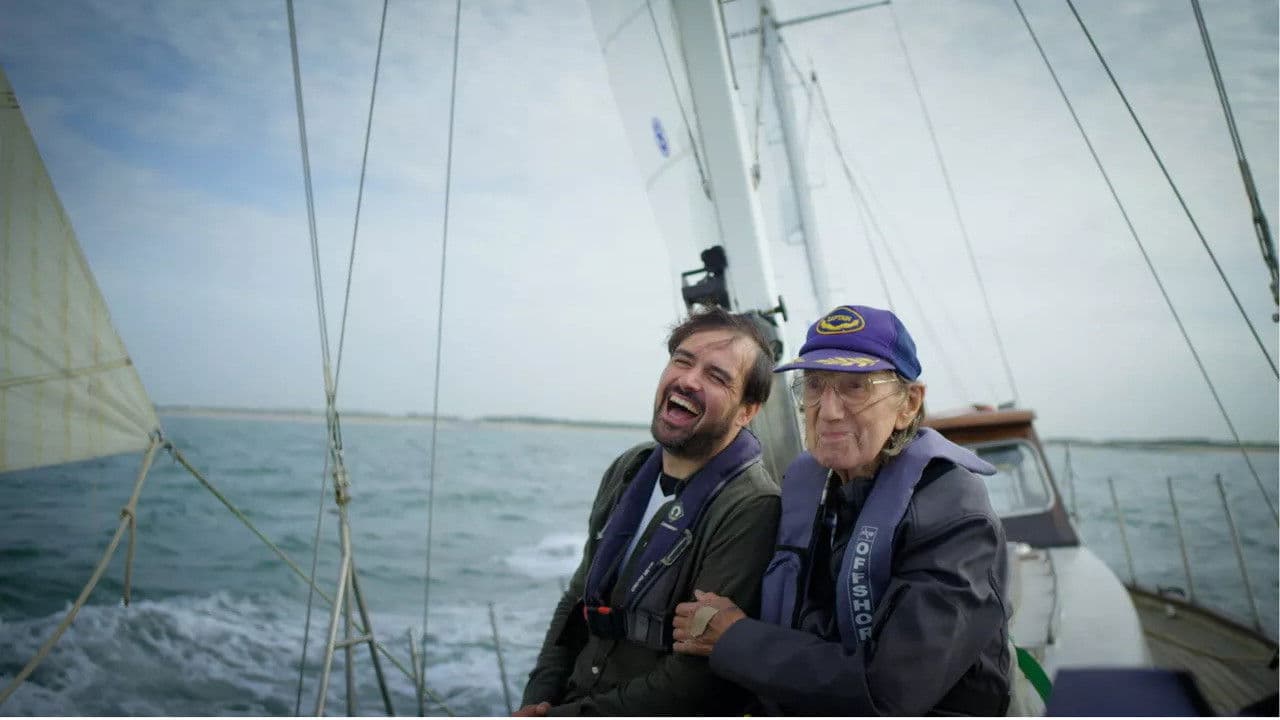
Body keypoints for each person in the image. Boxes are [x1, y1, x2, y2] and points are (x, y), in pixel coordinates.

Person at [671, 304, 1012, 716]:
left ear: (908, 404)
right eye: (814, 385)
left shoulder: (955, 519)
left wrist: (735, 639)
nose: (828, 411)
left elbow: (890, 691)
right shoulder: (813, 490)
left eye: (856, 387)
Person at [517, 307, 782, 716]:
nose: (689, 380)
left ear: (747, 411)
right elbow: (576, 599)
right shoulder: (629, 468)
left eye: (716, 376)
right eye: (682, 360)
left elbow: (695, 680)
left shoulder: (751, 507)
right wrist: (537, 698)